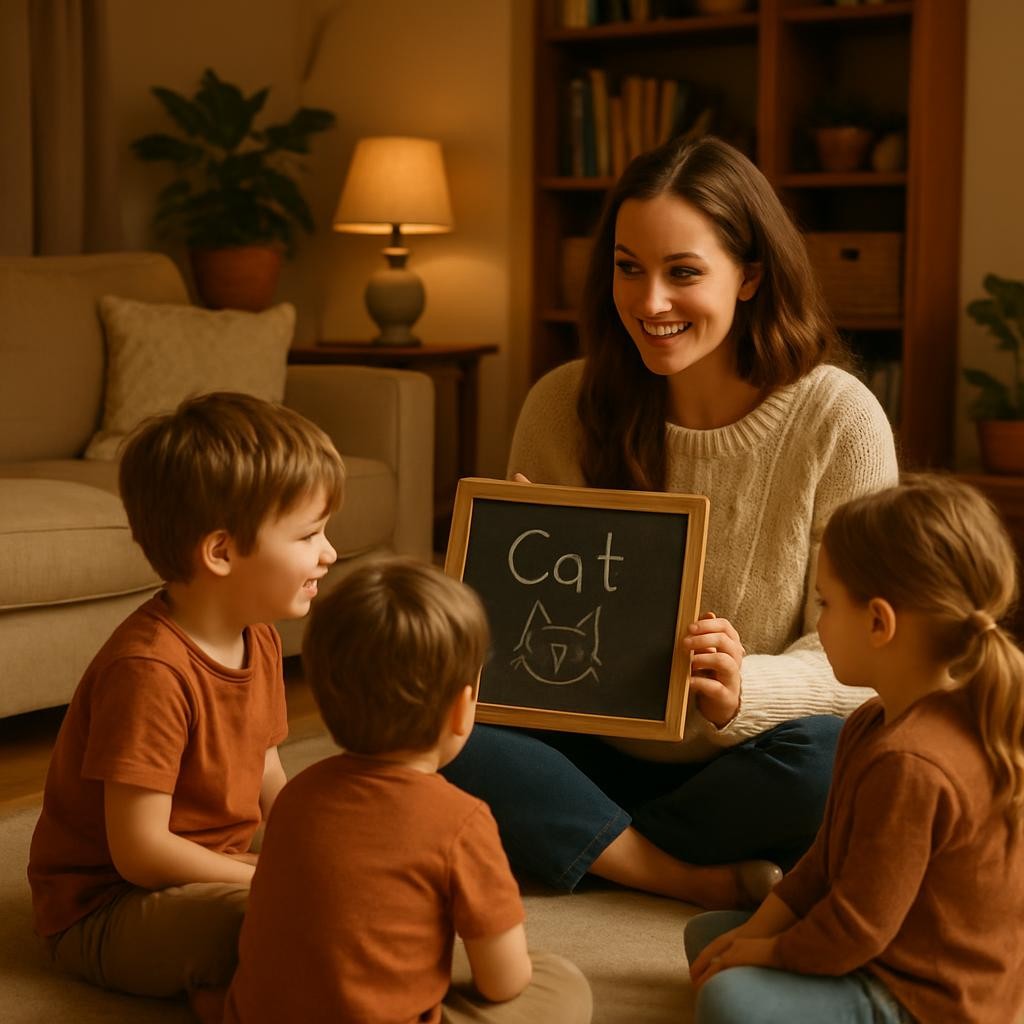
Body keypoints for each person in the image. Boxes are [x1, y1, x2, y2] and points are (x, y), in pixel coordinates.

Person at [442, 135, 899, 909]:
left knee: (841, 761)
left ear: (751, 274)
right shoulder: (561, 402)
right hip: (582, 748)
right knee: (442, 735)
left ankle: (585, 843)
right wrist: (497, 569)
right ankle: (677, 873)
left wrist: (744, 685)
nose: (649, 303)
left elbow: (868, 653)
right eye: (628, 269)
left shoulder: (838, 418)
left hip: (747, 755)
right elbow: (497, 662)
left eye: (683, 272)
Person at [27, 392, 344, 1022]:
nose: (329, 553)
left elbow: (267, 771)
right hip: (109, 907)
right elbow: (140, 851)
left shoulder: (259, 633)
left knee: (356, 865)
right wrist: (270, 878)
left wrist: (306, 848)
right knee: (291, 918)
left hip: (209, 865)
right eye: (309, 535)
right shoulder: (148, 672)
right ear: (221, 553)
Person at [685, 474, 1024, 1023]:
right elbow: (823, 864)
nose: (818, 620)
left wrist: (765, 953)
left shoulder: (913, 762)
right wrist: (753, 936)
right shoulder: (871, 722)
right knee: (710, 938)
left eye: (826, 602)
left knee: (729, 999)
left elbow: (854, 930)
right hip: (878, 948)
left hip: (927, 998)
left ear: (878, 622)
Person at [224, 558, 593, 1024]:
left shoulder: (295, 796)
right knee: (561, 984)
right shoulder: (462, 821)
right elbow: (502, 981)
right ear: (462, 709)